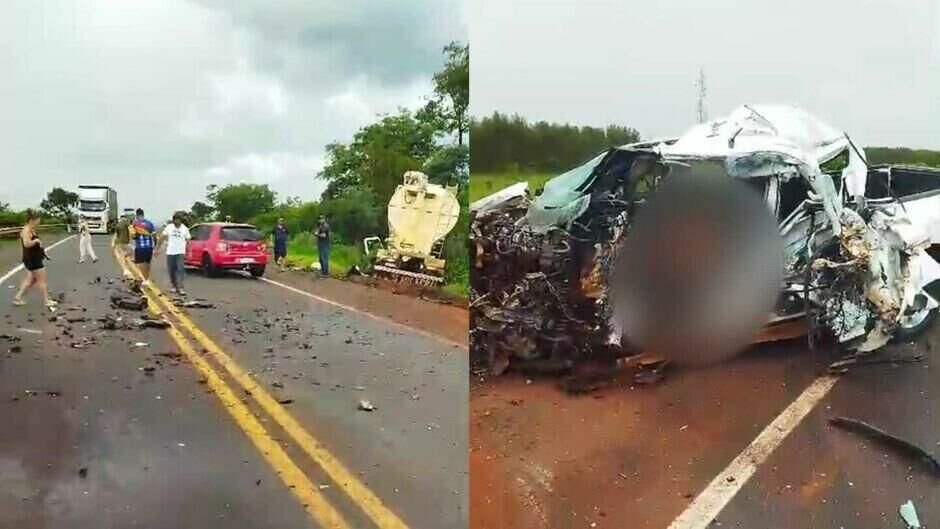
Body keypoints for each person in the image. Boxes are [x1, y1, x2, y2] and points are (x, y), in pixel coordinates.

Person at [12, 211, 57, 309]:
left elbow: (38, 246)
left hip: (34, 258)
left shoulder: (32, 230)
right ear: (32, 220)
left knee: (31, 280)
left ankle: (17, 298)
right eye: (37, 221)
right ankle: (46, 301)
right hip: (32, 259)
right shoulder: (26, 230)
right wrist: (36, 240)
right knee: (42, 280)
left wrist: (44, 254)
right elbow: (27, 244)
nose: (38, 223)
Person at [159, 214, 191, 295]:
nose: (177, 222)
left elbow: (188, 239)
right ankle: (174, 285)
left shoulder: (184, 229)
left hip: (180, 252)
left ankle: (180, 287)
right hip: (170, 252)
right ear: (173, 220)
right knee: (171, 270)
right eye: (175, 220)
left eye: (178, 220)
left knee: (180, 269)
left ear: (181, 220)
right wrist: (157, 248)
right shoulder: (169, 227)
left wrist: (188, 249)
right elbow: (162, 237)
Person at [132, 208, 158, 286]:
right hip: (149, 246)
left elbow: (133, 236)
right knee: (147, 262)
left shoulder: (135, 224)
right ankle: (147, 278)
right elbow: (154, 236)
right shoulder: (149, 223)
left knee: (141, 263)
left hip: (140, 246)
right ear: (143, 214)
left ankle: (145, 279)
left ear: (136, 215)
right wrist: (155, 245)